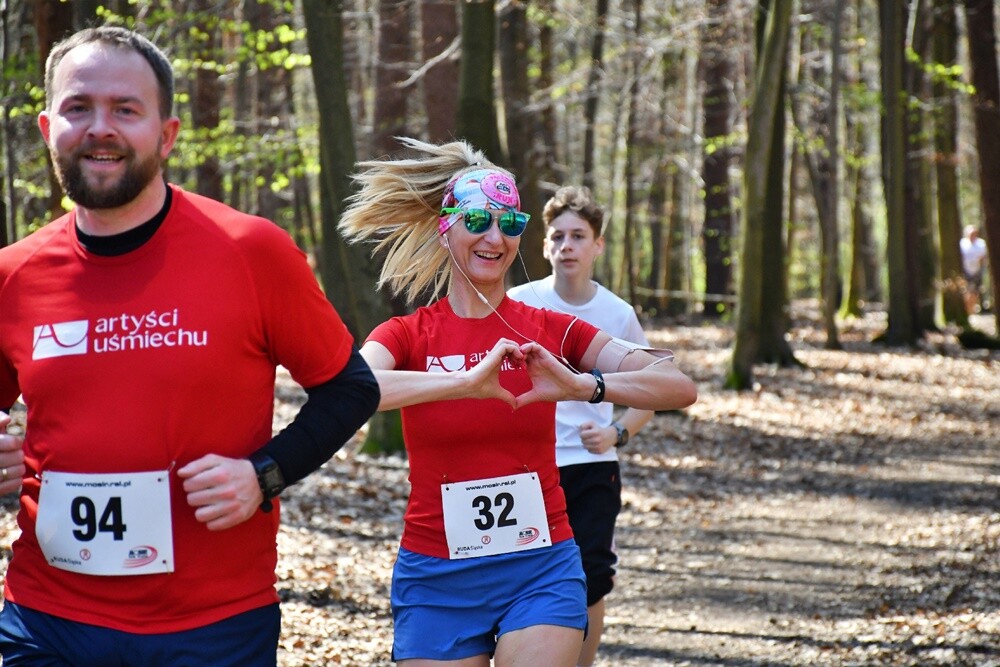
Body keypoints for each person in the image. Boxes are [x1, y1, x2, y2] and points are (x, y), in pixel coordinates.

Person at [0, 26, 380, 666]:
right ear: (46, 127)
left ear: (167, 134)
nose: (101, 128)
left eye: (126, 109)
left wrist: (265, 475)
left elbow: (350, 387)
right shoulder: (13, 275)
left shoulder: (251, 251)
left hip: (212, 626)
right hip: (47, 618)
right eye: (78, 107)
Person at [338, 137, 697, 666]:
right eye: (478, 219)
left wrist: (584, 386)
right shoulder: (407, 334)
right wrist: (463, 384)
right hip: (437, 573)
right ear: (447, 228)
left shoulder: (548, 329)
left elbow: (676, 384)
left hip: (541, 566)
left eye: (509, 223)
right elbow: (353, 391)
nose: (493, 236)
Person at [507, 185, 655, 667]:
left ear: (598, 246)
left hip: (591, 468)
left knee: (589, 578)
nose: (566, 245)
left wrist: (618, 433)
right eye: (557, 237)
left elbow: (652, 389)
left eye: (578, 236)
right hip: (527, 468)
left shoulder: (617, 314)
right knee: (522, 578)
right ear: (546, 246)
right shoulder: (518, 303)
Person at [960, 225, 988, 314]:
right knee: (966, 291)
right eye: (970, 234)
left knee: (974, 291)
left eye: (974, 233)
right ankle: (967, 310)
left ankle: (972, 310)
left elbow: (983, 259)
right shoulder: (962, 243)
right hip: (965, 272)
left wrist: (981, 270)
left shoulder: (981, 244)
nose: (972, 235)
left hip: (977, 272)